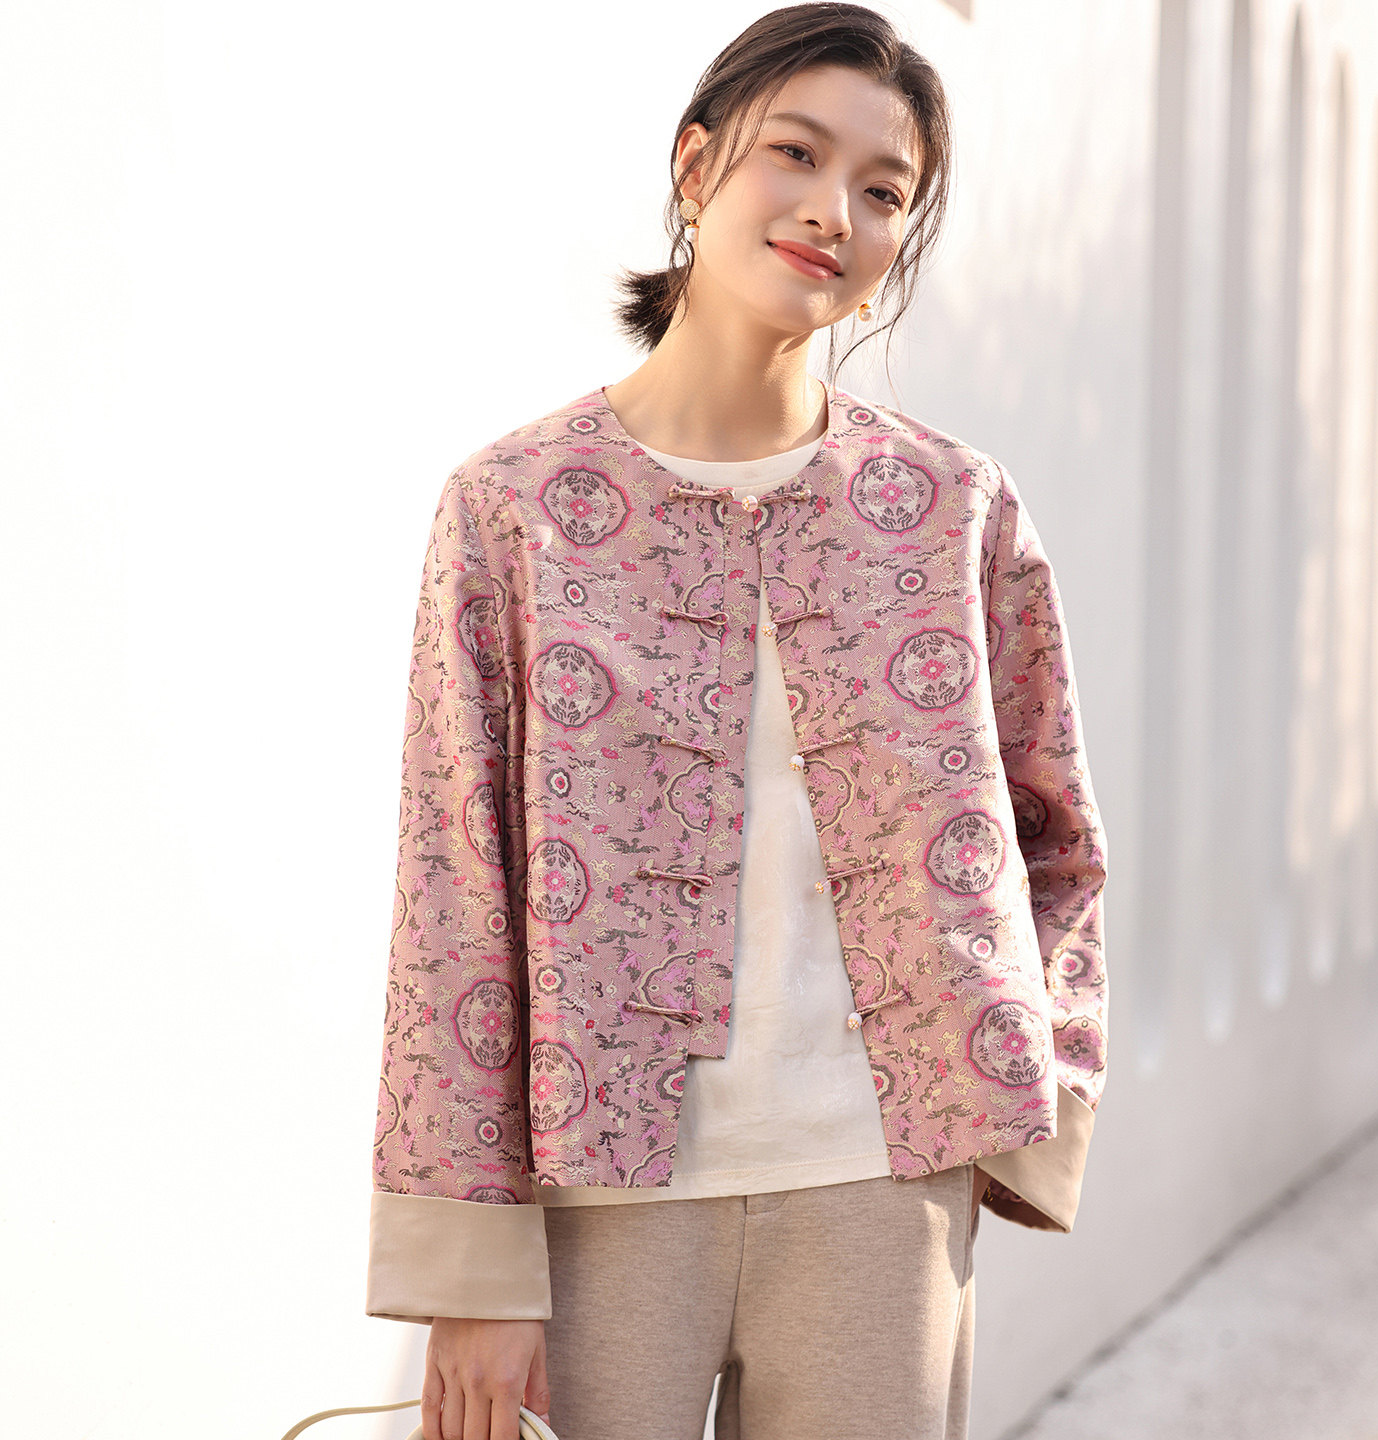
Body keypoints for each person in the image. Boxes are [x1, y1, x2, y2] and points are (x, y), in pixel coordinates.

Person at [366, 6, 1109, 1440]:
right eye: (797, 154)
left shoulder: (953, 510)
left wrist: (1026, 1101)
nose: (835, 211)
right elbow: (455, 893)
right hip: (594, 1202)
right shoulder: (512, 510)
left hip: (882, 1189)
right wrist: (471, 1269)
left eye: (885, 190)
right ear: (697, 165)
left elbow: (1056, 836)